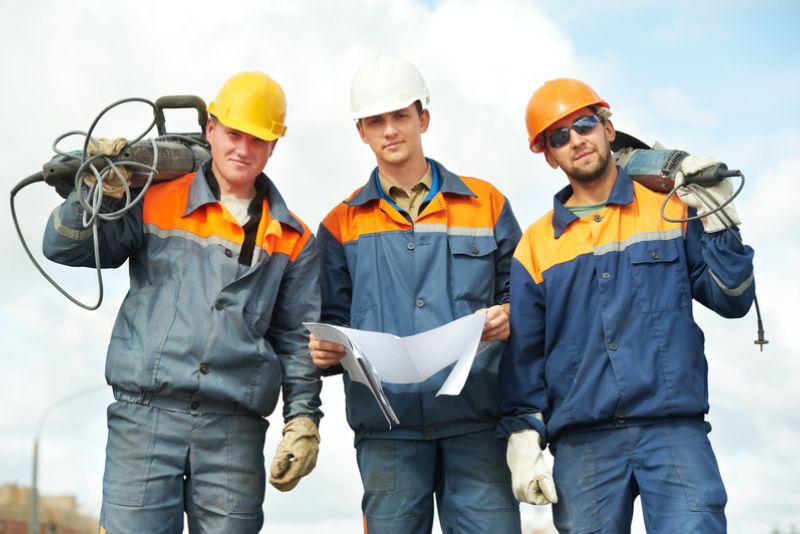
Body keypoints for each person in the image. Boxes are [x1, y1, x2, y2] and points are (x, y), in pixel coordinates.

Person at [42, 71, 323, 533]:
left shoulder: (293, 239)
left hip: (234, 433)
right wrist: (96, 190)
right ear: (210, 129)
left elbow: (296, 341)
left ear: (274, 147)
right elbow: (64, 247)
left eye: (258, 140)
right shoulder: (153, 200)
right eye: (234, 133)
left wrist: (303, 419)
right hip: (145, 421)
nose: (243, 149)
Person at [497, 78, 755, 533]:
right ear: (548, 155)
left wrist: (721, 229)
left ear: (608, 128)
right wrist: (523, 436)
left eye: (584, 125)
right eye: (560, 136)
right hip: (583, 444)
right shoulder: (535, 247)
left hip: (673, 430)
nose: (576, 140)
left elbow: (732, 300)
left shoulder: (671, 210)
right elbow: (525, 358)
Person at [309, 54, 523, 533]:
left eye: (400, 116)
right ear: (360, 131)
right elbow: (329, 319)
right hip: (388, 436)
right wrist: (322, 352)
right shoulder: (339, 225)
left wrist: (510, 315)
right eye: (376, 121)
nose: (390, 130)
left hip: (478, 427)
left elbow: (526, 300)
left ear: (422, 118)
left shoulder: (487, 204)